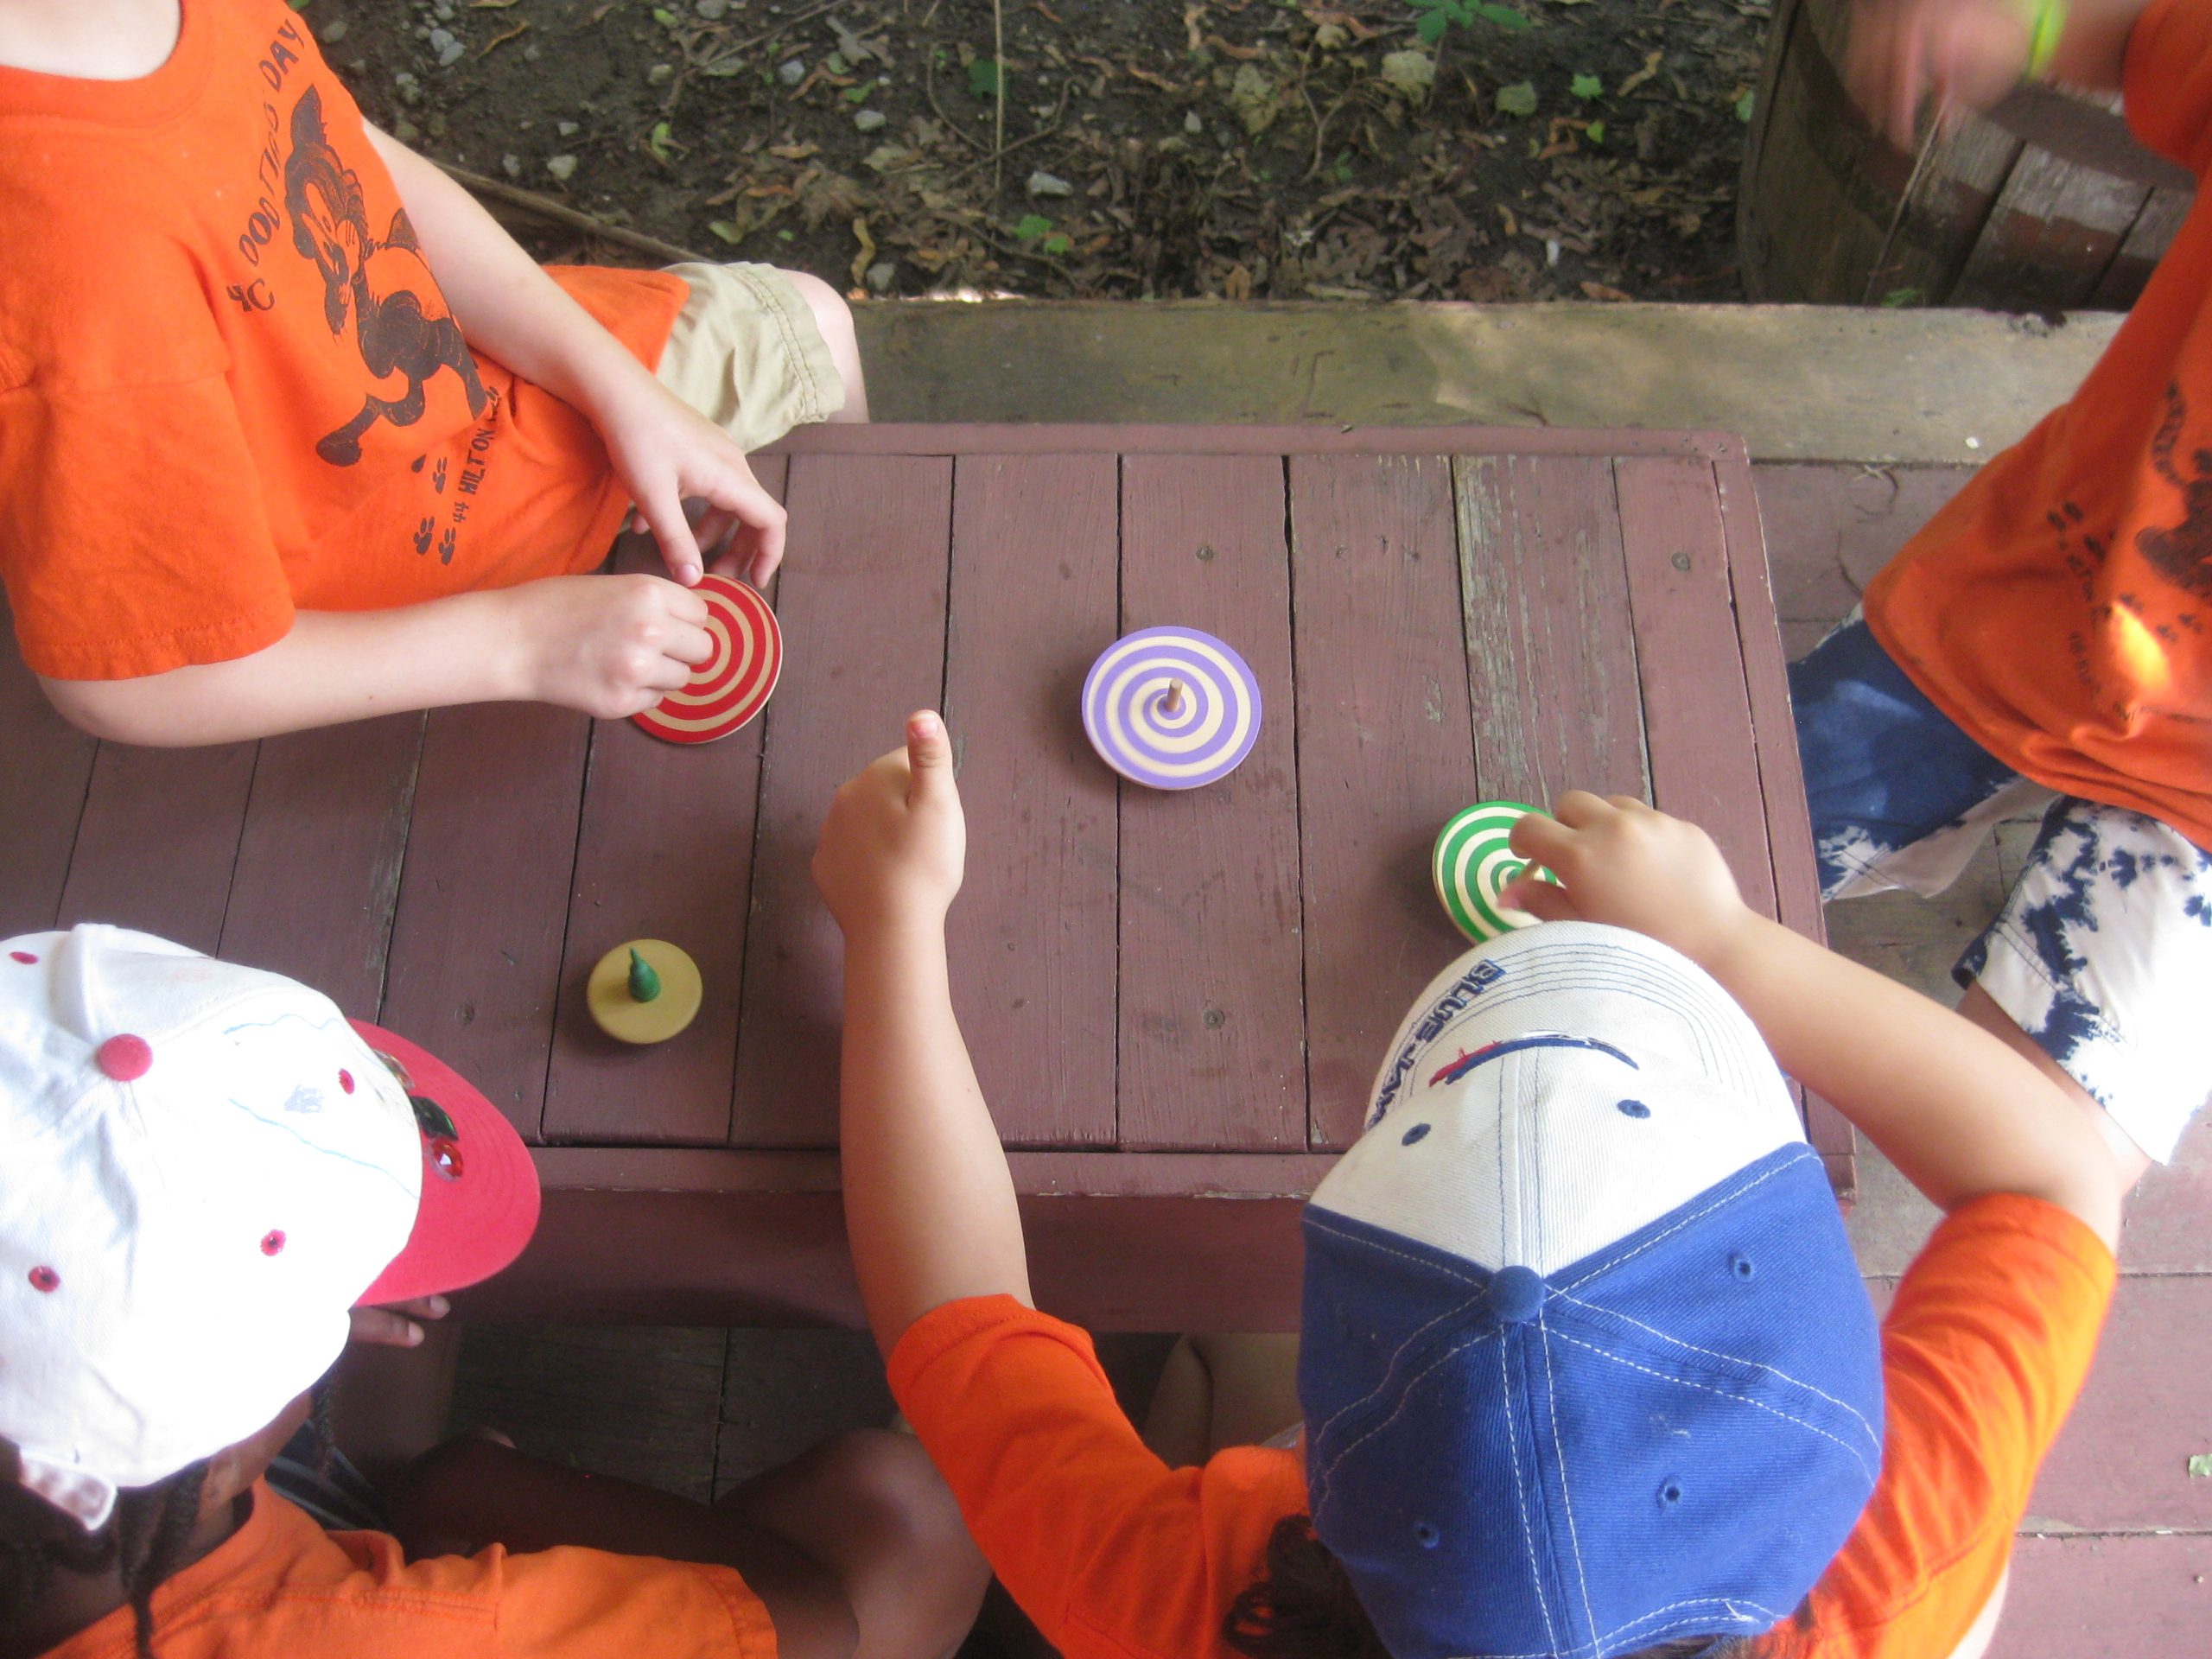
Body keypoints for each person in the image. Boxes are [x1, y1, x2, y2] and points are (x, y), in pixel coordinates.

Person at [810, 713, 2127, 1659]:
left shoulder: (1193, 1597)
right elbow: (2059, 1176)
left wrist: (890, 924)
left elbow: (957, 1328)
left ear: (1331, 1487)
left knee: (1229, 1321)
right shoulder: (1898, 1562)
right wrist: (1726, 940)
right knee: (1236, 1348)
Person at [0, 924, 986, 1659]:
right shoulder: (392, 1638)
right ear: (216, 1467)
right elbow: (810, 1621)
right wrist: (467, 1485)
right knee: (908, 1521)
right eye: (317, 1325)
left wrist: (298, 1337)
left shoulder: (93, 1528)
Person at [0, 0, 867, 747]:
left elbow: (360, 161)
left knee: (813, 330)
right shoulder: (67, 251)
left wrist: (620, 387)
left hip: (495, 407)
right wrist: (525, 642)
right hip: (414, 616)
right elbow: (132, 683)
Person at [1793, 0, 2212, 1194]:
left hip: (2198, 819)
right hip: (2019, 610)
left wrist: (1734, 957)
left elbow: (2042, 1191)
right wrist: (2012, 23)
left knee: (2036, 1178)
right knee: (1654, 838)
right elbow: (2134, 31)